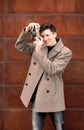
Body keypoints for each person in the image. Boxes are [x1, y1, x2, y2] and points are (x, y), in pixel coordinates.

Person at [15, 22, 72, 130]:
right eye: (42, 36)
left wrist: (38, 51)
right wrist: (27, 30)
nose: (45, 39)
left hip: (54, 97)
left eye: (48, 35)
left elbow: (52, 69)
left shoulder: (65, 52)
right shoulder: (40, 47)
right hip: (38, 96)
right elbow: (19, 45)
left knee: (60, 128)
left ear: (55, 34)